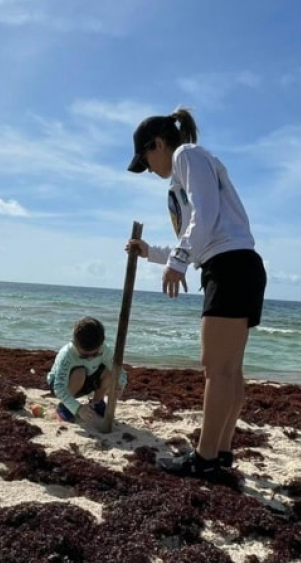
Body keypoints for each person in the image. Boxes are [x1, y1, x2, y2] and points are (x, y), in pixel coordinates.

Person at [125, 107, 266, 478]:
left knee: (216, 370)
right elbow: (196, 234)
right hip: (236, 265)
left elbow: (206, 213)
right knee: (229, 370)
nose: (149, 168)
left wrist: (179, 261)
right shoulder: (182, 175)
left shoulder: (186, 155)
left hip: (230, 266)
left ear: (158, 144)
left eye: (145, 158)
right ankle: (220, 453)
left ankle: (203, 460)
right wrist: (155, 254)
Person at [46, 316, 128, 429]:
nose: (89, 358)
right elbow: (59, 387)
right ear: (74, 344)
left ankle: (97, 403)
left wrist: (121, 386)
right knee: (80, 372)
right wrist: (78, 408)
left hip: (88, 380)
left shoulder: (105, 350)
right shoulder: (67, 354)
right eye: (84, 355)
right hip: (63, 384)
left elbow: (121, 373)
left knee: (111, 372)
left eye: (95, 355)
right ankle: (65, 406)